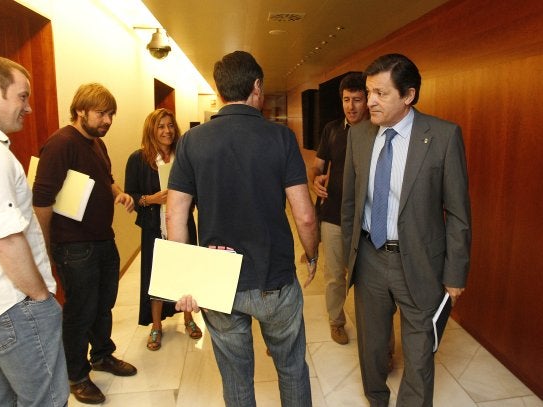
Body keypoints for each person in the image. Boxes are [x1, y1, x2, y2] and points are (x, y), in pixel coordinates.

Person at [168, 50, 319, 407]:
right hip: (275, 279)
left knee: (236, 378)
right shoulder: (281, 138)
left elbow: (176, 216)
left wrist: (184, 282)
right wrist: (311, 255)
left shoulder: (192, 141)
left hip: (219, 281)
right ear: (256, 86)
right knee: (292, 368)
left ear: (220, 91)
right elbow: (306, 216)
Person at [341, 53, 471, 406]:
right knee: (371, 346)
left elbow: (458, 213)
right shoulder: (359, 136)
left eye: (380, 94)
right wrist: (346, 258)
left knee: (419, 354)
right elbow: (351, 204)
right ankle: (376, 399)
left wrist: (455, 274)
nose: (369, 102)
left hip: (420, 264)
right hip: (369, 258)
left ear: (408, 95)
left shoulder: (442, 137)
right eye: (369, 92)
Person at [0, 54, 69, 406]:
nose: (27, 108)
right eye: (22, 96)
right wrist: (40, 298)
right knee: (47, 397)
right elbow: (7, 239)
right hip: (14, 304)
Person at [33, 83, 137, 404]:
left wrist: (118, 192)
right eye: (101, 113)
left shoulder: (96, 144)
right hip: (74, 246)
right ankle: (76, 375)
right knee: (80, 311)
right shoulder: (61, 143)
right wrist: (47, 248)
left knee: (103, 304)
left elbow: (105, 179)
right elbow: (41, 199)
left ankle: (102, 355)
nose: (107, 120)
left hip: (102, 238)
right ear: (81, 111)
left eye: (111, 115)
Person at [124, 108, 202, 351]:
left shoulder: (184, 156)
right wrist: (152, 199)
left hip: (184, 224)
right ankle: (156, 326)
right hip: (154, 227)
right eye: (161, 126)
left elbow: (198, 189)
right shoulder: (138, 159)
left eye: (170, 125)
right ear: (151, 130)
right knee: (156, 275)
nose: (167, 131)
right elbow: (132, 195)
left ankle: (188, 319)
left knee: (186, 272)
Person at [311, 72, 369, 345]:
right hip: (333, 214)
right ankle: (337, 321)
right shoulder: (332, 129)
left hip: (367, 219)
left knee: (367, 279)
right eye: (346, 100)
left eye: (357, 100)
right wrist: (316, 179)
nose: (351, 106)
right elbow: (318, 165)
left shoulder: (377, 131)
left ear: (367, 100)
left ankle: (373, 329)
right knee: (335, 275)